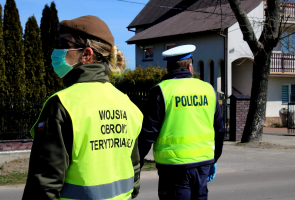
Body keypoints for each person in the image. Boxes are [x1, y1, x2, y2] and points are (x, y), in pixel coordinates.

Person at [22, 15, 143, 200]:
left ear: (86, 54)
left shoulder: (62, 104)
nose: (56, 50)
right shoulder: (127, 103)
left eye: (63, 44)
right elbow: (134, 176)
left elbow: (44, 186)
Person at [138, 45, 225, 200]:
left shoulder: (161, 91)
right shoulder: (208, 89)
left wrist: (137, 162)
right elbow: (219, 129)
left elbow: (148, 133)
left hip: (173, 166)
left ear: (168, 68)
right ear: (190, 66)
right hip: (203, 163)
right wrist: (214, 158)